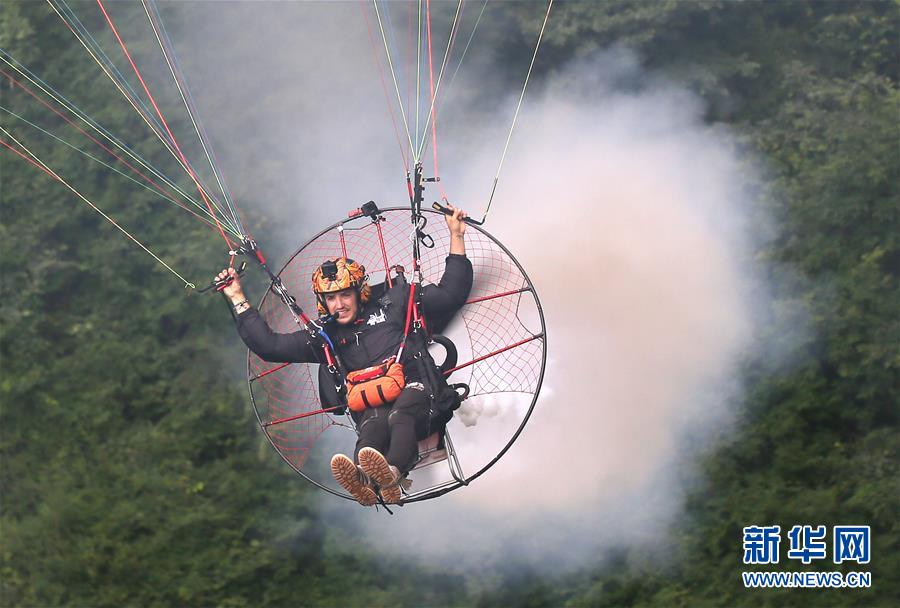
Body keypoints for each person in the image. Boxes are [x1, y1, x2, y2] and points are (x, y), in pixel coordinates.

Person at [216, 205, 472, 505]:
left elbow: (451, 294)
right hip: (372, 407)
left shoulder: (395, 303)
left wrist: (456, 235)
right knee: (372, 429)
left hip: (422, 396)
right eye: (330, 298)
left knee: (401, 414)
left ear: (359, 292)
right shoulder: (325, 337)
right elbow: (270, 347)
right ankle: (366, 479)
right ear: (323, 302)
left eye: (344, 295)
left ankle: (391, 473)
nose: (338, 305)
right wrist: (237, 297)